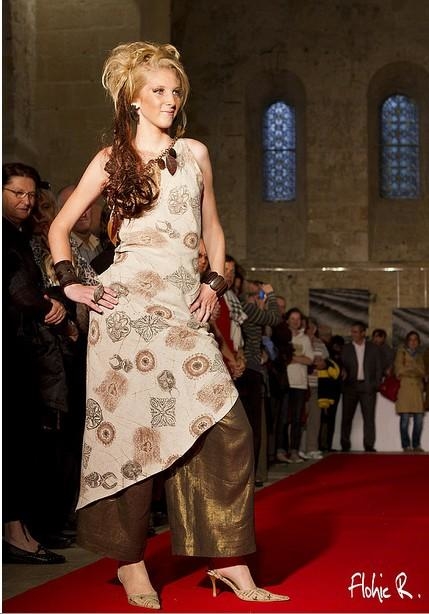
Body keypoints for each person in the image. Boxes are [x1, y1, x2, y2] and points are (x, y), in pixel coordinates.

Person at [48, 41, 288, 608]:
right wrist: (71, 284)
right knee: (132, 436)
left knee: (228, 428)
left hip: (183, 309)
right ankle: (131, 563)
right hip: (125, 313)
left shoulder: (195, 152)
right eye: (158, 90)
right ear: (133, 98)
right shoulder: (111, 159)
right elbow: (59, 228)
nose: (170, 99)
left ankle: (227, 559)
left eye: (176, 91)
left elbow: (214, 229)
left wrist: (214, 283)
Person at [3, 162, 67, 564]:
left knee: (21, 442)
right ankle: (15, 533)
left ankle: (18, 529)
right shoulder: (6, 236)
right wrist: (49, 303)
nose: (27, 201)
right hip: (10, 350)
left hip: (20, 347)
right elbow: (18, 291)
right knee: (15, 443)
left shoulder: (19, 234)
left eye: (31, 195)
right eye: (17, 194)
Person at [340, 321, 382, 452]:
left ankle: (369, 445)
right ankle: (345, 444)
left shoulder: (373, 348)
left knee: (369, 418)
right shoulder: (346, 348)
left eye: (355, 332)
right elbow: (341, 365)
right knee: (346, 417)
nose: (352, 334)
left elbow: (379, 368)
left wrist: (375, 384)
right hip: (350, 387)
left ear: (363, 333)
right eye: (352, 331)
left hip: (367, 387)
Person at [394, 331, 426, 452]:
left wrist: (409, 368)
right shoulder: (401, 353)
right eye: (411, 339)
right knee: (405, 420)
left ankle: (416, 444)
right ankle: (406, 445)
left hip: (417, 390)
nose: (413, 342)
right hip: (405, 389)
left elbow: (423, 372)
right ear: (407, 341)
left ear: (418, 342)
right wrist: (414, 370)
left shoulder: (420, 355)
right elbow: (399, 371)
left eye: (415, 339)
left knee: (419, 420)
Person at [57, 184, 103, 264]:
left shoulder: (99, 242)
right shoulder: (64, 250)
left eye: (86, 205)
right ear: (61, 212)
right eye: (75, 208)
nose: (83, 213)